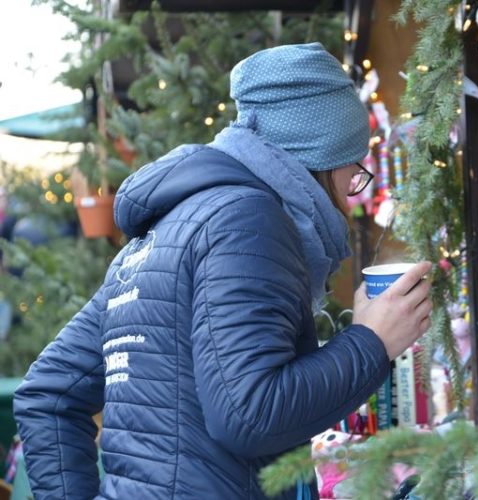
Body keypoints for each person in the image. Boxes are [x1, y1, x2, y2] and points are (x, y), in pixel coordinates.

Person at [14, 43, 433, 499]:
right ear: (318, 157)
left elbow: (50, 392)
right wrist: (372, 342)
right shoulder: (248, 218)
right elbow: (250, 414)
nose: (351, 194)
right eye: (353, 172)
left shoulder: (164, 232)